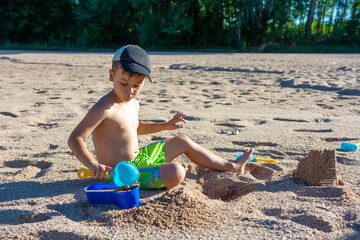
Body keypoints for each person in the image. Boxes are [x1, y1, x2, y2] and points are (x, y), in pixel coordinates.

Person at [68, 45, 254, 190]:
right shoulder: (104, 108)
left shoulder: (133, 103)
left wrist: (165, 126)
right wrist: (93, 165)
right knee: (177, 172)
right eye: (123, 83)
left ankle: (232, 166)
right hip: (120, 173)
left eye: (137, 85)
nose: (130, 90)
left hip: (139, 159)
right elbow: (75, 138)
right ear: (111, 76)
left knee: (183, 141)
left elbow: (134, 127)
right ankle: (157, 174)